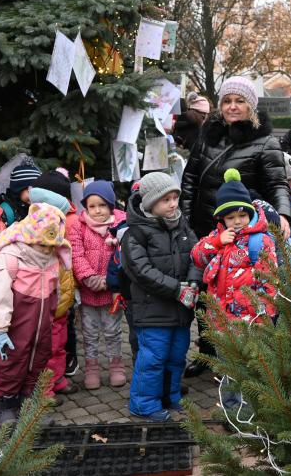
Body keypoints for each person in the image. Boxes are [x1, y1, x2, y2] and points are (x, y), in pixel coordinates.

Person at [180, 75, 291, 376]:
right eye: (227, 101)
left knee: (235, 292)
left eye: (239, 101)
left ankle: (240, 355)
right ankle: (207, 352)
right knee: (206, 294)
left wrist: (283, 214)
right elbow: (190, 179)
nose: (232, 107)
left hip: (241, 232)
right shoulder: (208, 134)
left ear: (250, 106)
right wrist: (187, 221)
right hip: (207, 227)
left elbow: (277, 183)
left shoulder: (265, 142)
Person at [122, 172, 202, 422]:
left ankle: (171, 394)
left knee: (177, 355)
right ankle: (144, 404)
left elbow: (197, 255)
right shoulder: (135, 234)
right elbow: (141, 271)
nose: (173, 204)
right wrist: (176, 289)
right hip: (152, 310)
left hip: (180, 309)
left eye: (175, 197)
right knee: (153, 358)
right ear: (149, 203)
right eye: (165, 199)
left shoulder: (183, 226)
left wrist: (193, 281)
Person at [0, 203, 71, 425]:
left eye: (50, 246)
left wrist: (53, 318)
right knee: (11, 363)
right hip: (14, 327)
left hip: (41, 326)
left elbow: (55, 291)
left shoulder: (51, 257)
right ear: (30, 237)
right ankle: (6, 405)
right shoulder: (10, 259)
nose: (46, 250)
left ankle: (28, 402)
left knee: (39, 361)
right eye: (41, 245)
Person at [191, 168, 278, 324]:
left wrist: (265, 318)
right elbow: (196, 257)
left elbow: (270, 281)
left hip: (250, 322)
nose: (237, 221)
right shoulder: (216, 236)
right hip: (221, 321)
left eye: (242, 216)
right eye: (231, 217)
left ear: (250, 214)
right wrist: (217, 242)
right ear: (222, 218)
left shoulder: (260, 241)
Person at [68, 180, 127, 390]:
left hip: (112, 292)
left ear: (111, 205)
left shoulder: (121, 225)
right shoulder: (78, 225)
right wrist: (90, 278)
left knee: (112, 331)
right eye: (92, 206)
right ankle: (92, 368)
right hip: (88, 291)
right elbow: (76, 254)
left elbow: (123, 255)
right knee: (90, 333)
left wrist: (111, 281)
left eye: (102, 205)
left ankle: (116, 365)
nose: (97, 210)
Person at [27, 186, 78, 400]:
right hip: (44, 308)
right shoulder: (38, 244)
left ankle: (57, 378)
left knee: (59, 346)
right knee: (45, 350)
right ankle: (44, 387)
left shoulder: (63, 241)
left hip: (62, 306)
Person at [0, 159, 41, 226]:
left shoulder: (36, 207)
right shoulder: (6, 211)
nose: (34, 195)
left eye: (37, 191)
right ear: (18, 190)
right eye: (30, 191)